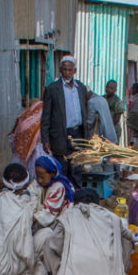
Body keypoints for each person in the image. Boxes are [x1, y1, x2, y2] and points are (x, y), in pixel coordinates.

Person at [45, 188, 136, 275]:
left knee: (47, 240)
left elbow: (55, 245)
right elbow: (130, 239)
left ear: (75, 204)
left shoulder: (66, 216)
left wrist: (70, 255)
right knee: (125, 241)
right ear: (97, 203)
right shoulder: (112, 217)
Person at [40, 55, 90, 184]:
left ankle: (76, 197)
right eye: (64, 70)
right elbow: (46, 116)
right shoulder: (53, 89)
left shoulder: (81, 89)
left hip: (78, 134)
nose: (67, 73)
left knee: (76, 167)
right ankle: (63, 196)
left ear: (75, 71)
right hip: (60, 135)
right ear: (61, 70)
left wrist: (88, 137)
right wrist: (45, 139)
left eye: (70, 70)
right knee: (62, 167)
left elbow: (85, 113)